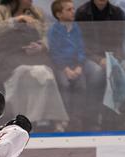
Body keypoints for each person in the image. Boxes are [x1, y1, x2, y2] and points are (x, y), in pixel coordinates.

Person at [0, 0, 70, 131]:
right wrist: (17, 20)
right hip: (3, 60)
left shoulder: (37, 13)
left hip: (31, 58)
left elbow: (46, 34)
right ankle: (38, 121)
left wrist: (41, 46)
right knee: (28, 75)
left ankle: (39, 120)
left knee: (45, 73)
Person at [74, 0, 125, 129]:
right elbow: (80, 42)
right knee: (97, 73)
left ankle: (116, 118)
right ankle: (92, 118)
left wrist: (114, 58)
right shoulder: (82, 13)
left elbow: (121, 40)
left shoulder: (117, 13)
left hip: (112, 56)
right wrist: (98, 59)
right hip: (89, 57)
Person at [48, 0, 86, 131]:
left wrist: (79, 65)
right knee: (64, 85)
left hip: (75, 65)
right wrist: (65, 68)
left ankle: (77, 119)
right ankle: (64, 119)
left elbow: (81, 48)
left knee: (81, 84)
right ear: (59, 14)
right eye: (69, 10)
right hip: (61, 66)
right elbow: (54, 52)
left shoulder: (76, 28)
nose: (73, 12)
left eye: (73, 9)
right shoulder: (54, 30)